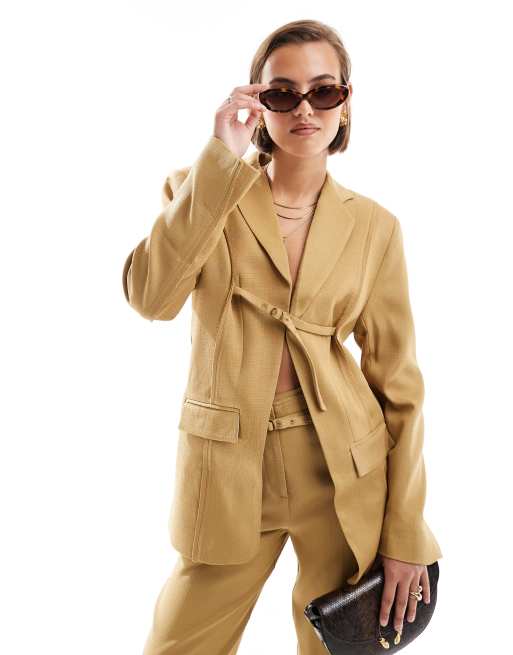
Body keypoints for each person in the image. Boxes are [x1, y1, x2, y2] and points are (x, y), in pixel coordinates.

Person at [122, 18, 443, 655]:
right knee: (176, 643)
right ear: (257, 103)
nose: (304, 108)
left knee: (334, 644)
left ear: (345, 103)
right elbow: (151, 298)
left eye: (323, 91)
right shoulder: (200, 189)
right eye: (282, 93)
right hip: (228, 463)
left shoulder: (375, 228)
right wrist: (221, 157)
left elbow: (400, 385)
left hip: (343, 466)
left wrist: (407, 530)